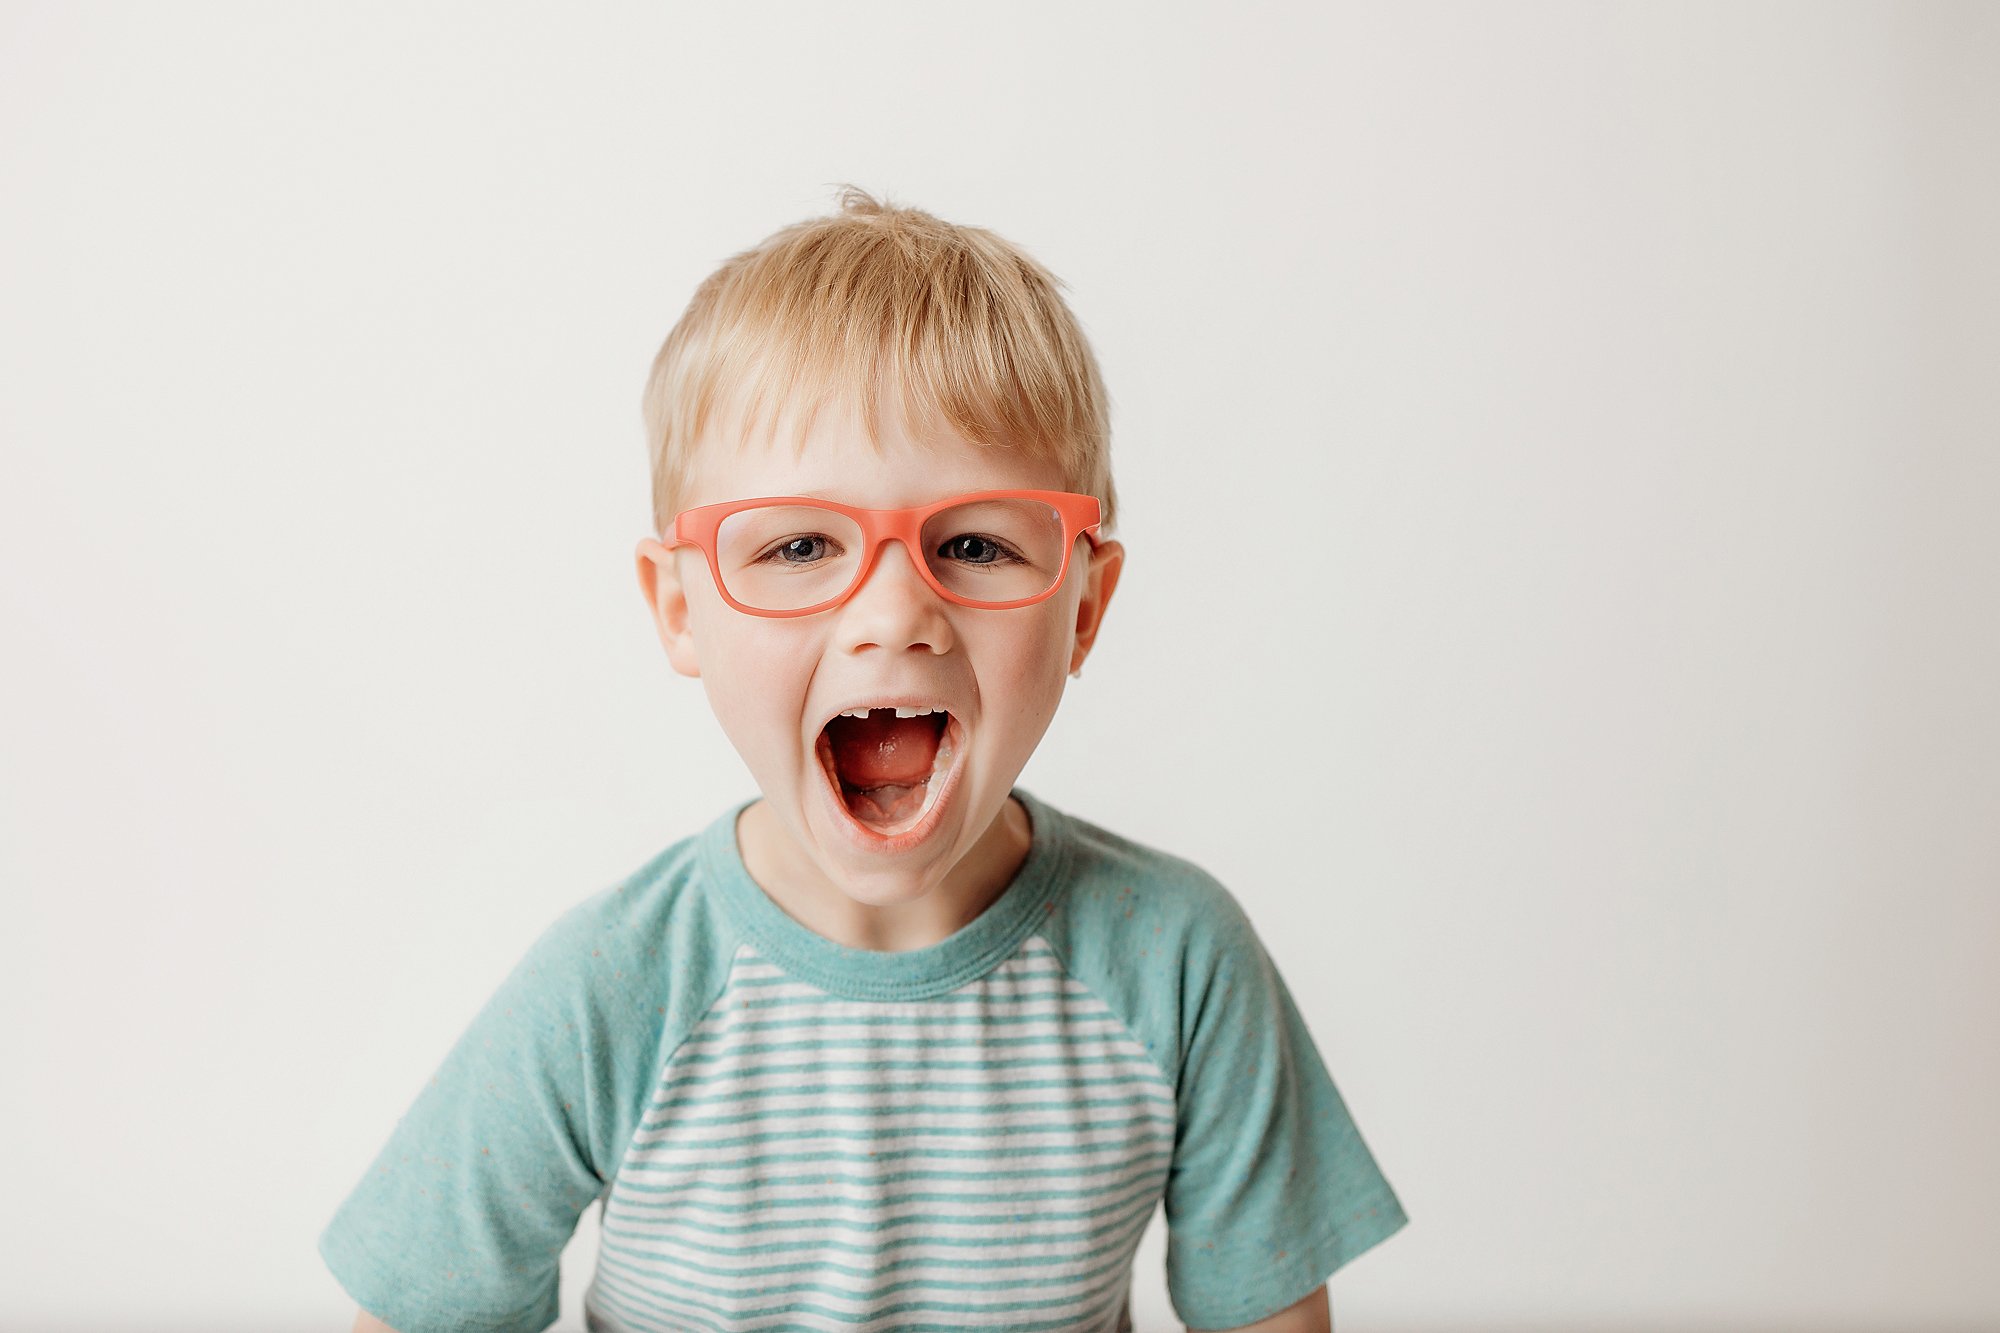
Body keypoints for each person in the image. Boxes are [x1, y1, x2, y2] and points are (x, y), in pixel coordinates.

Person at [319, 186, 1408, 1333]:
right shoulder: (611, 988)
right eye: (798, 544)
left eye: (975, 544)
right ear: (680, 607)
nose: (895, 614)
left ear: (1083, 607)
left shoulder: (1179, 966)